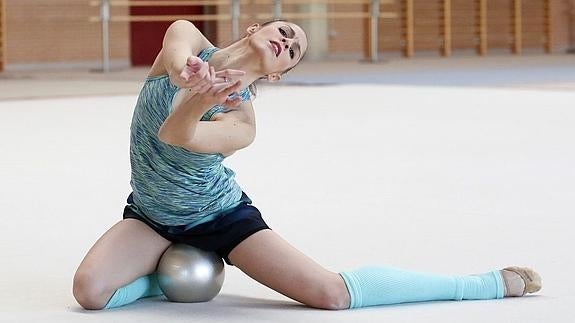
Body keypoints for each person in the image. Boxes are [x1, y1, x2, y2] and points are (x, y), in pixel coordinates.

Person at [72, 19, 541, 311]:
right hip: (152, 214)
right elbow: (177, 43)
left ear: (276, 74)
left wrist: (201, 98)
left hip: (218, 218)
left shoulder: (241, 119)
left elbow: (175, 134)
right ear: (257, 28)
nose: (289, 42)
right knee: (90, 294)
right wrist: (186, 72)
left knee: (329, 294)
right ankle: (159, 278)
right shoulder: (189, 42)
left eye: (294, 51)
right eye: (286, 31)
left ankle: (483, 284)